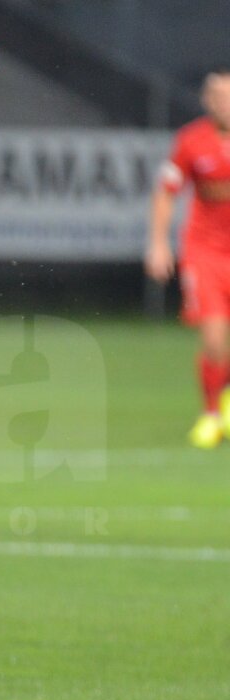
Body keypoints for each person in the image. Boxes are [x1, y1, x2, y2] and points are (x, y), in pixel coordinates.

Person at [145, 68, 230, 449]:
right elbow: (166, 191)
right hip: (206, 252)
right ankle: (211, 415)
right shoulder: (191, 141)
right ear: (206, 101)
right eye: (219, 96)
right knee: (214, 340)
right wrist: (158, 243)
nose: (225, 103)